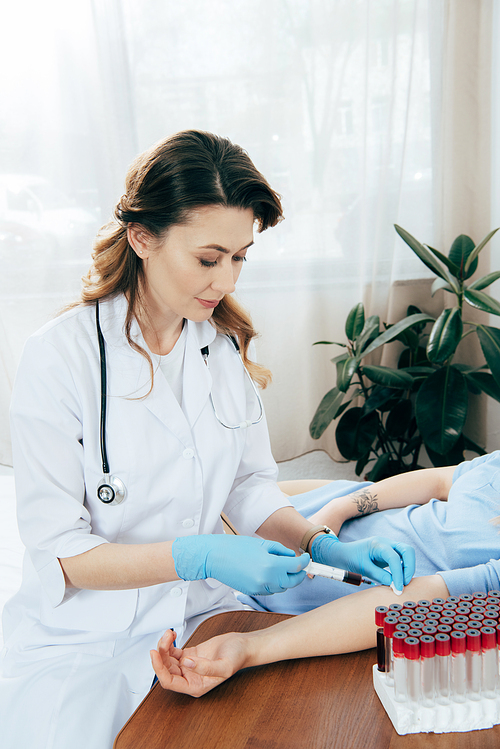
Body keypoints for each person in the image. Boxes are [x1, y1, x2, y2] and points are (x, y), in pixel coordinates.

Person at [0, 130, 413, 749]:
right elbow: (64, 556)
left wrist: (322, 544)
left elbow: (249, 487)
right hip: (85, 635)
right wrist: (197, 553)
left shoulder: (216, 347)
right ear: (142, 237)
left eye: (240, 257)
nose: (225, 279)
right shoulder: (60, 360)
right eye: (208, 257)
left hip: (202, 614)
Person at [150, 451, 500, 697]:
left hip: (292, 584)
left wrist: (252, 646)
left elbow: (410, 601)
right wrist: (337, 510)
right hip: (307, 517)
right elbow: (439, 480)